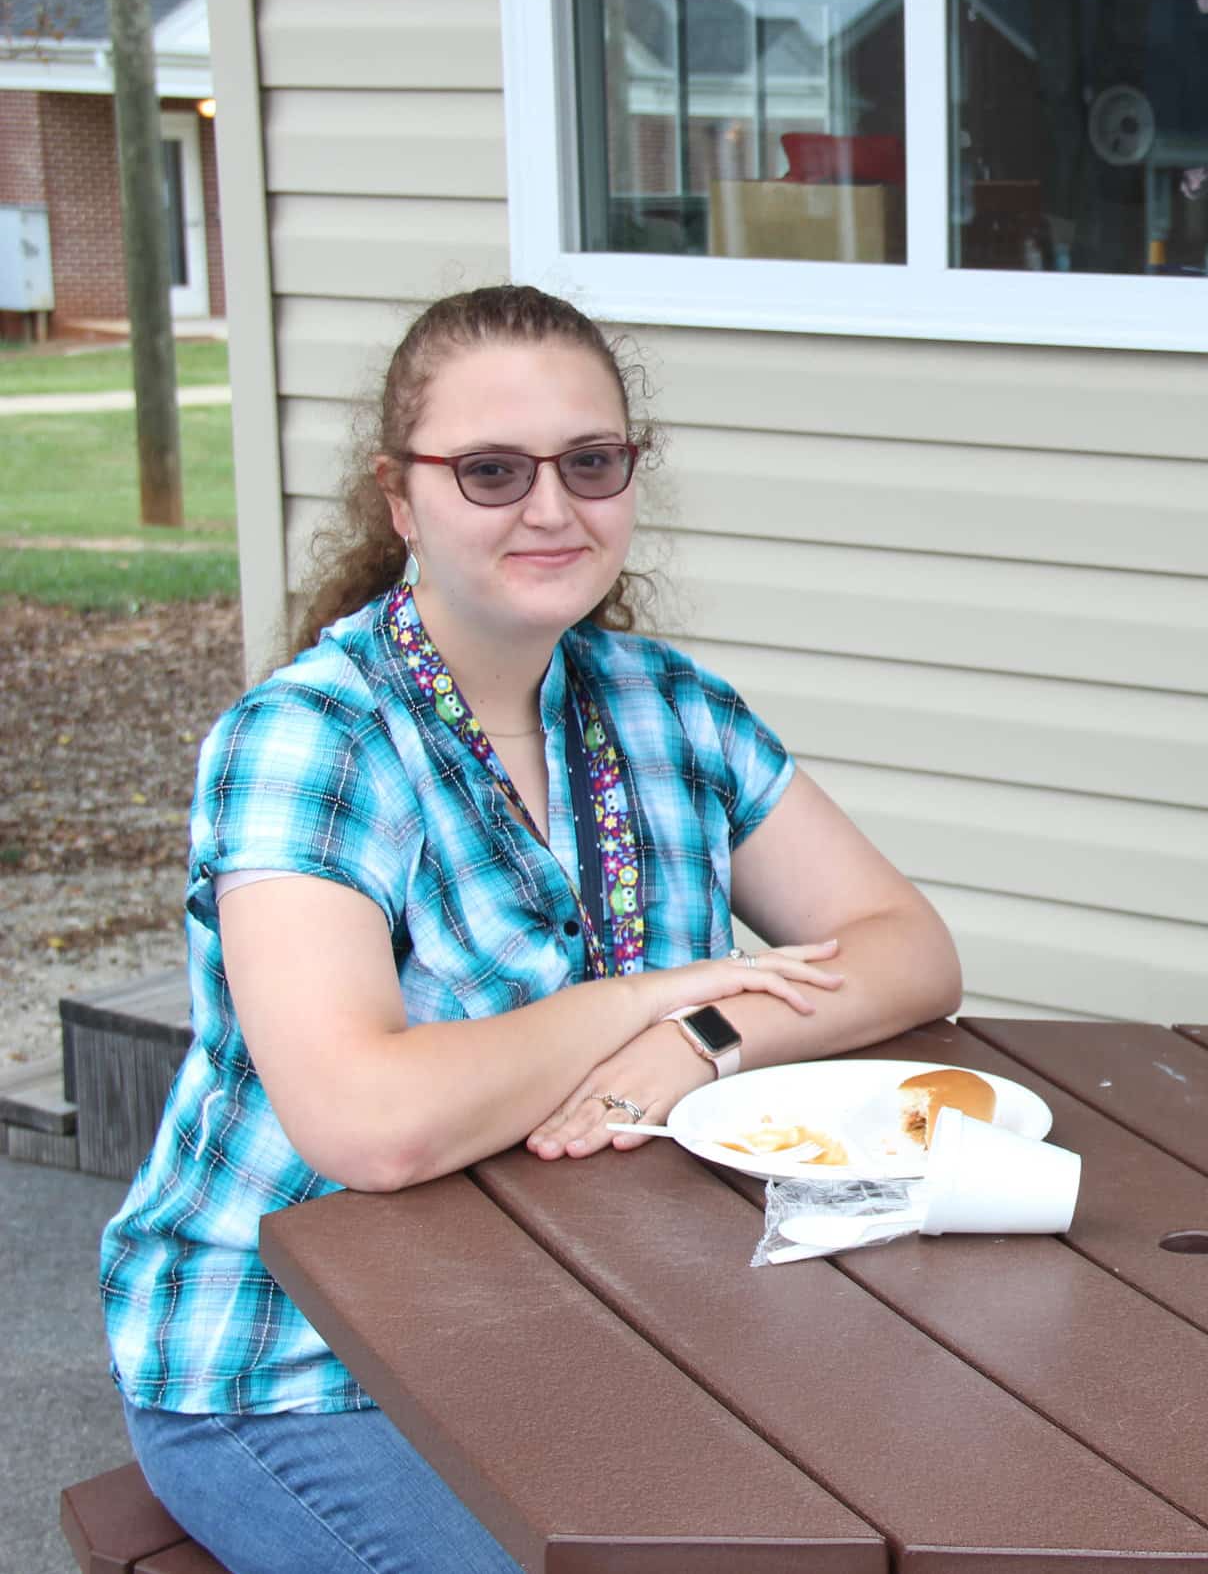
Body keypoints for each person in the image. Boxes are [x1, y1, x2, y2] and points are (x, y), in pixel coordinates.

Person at [98, 284, 963, 1574]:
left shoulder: (668, 707)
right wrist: (632, 1001)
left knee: (923, 1482)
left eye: (591, 462)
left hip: (582, 1331)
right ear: (401, 498)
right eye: (492, 470)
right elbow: (368, 1120)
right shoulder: (315, 739)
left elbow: (906, 946)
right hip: (289, 1366)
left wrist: (703, 1038)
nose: (551, 508)